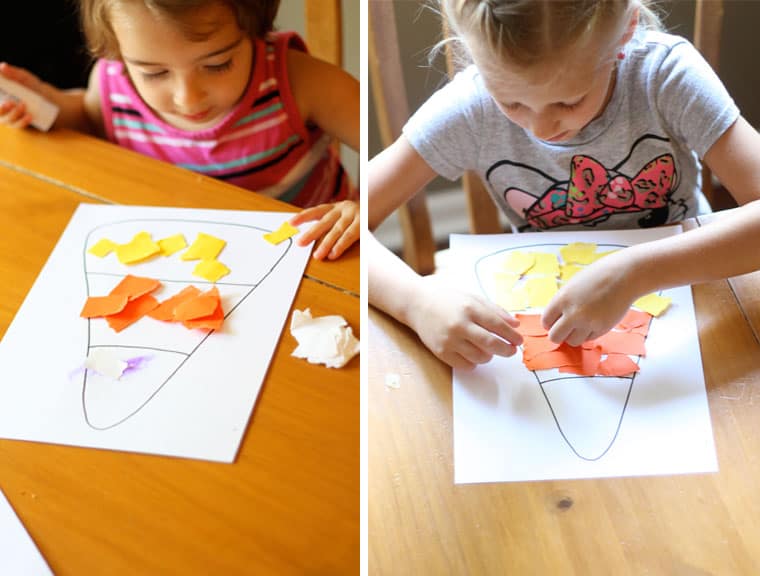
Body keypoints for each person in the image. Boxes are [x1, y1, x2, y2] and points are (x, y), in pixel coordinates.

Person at [368, 0, 760, 369]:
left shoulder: (665, 76)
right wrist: (415, 302)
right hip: (553, 313)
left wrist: (636, 273)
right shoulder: (470, 107)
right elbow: (350, 221)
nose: (540, 127)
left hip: (694, 292)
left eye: (569, 102)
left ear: (626, 31)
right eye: (511, 101)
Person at [0, 0, 359, 261]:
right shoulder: (114, 82)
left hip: (310, 261)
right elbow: (92, 118)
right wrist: (49, 105)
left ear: (253, 26)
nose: (188, 99)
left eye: (217, 64)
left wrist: (362, 208)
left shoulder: (300, 83)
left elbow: (398, 153)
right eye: (154, 73)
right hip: (185, 260)